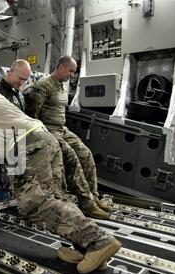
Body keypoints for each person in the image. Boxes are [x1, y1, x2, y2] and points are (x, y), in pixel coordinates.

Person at [0, 68, 122, 274]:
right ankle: (85, 248)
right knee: (56, 198)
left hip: (28, 144)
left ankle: (99, 241)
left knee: (35, 203)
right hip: (44, 137)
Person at [24, 56, 111, 219]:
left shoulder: (62, 86)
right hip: (49, 130)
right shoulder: (43, 86)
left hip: (62, 129)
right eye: (70, 71)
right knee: (73, 160)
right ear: (61, 67)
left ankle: (93, 195)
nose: (72, 75)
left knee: (86, 154)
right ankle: (87, 204)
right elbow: (32, 117)